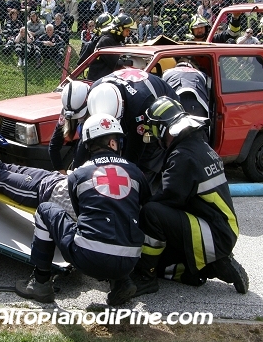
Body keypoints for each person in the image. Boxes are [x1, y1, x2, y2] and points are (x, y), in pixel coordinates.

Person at [15, 113, 150, 305]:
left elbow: (80, 215)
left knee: (45, 209)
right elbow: (143, 208)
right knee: (120, 216)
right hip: (130, 261)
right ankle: (122, 282)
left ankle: (41, 283)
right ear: (113, 143)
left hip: (88, 259)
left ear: (87, 145)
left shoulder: (78, 175)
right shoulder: (136, 171)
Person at [131, 96, 249, 296]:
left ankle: (145, 277)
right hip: (219, 229)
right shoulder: (198, 146)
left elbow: (169, 198)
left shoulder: (183, 156)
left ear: (162, 128)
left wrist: (139, 205)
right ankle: (206, 268)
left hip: (213, 233)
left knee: (151, 214)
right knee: (162, 262)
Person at [87, 69, 178, 190]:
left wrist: (122, 176)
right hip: (133, 103)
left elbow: (135, 150)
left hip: (159, 116)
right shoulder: (95, 91)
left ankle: (143, 199)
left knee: (143, 164)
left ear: (123, 104)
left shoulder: (141, 104)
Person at [48, 80, 91, 173]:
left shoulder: (99, 110)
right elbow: (54, 146)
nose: (79, 119)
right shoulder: (67, 109)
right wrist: (62, 175)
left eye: (80, 115)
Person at [86, 13, 135, 81]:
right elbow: (117, 65)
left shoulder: (116, 40)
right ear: (120, 29)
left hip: (109, 80)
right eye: (127, 31)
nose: (128, 34)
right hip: (99, 82)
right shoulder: (106, 41)